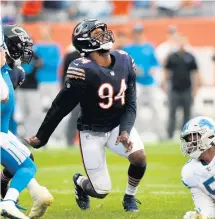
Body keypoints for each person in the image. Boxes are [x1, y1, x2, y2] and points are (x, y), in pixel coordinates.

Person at [25, 19, 147, 212]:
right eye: (97, 34)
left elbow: (131, 103)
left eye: (103, 32)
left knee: (139, 158)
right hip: (92, 131)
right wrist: (42, 136)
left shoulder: (124, 59)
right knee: (101, 190)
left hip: (117, 125)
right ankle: (79, 182)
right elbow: (61, 106)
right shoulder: (81, 69)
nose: (104, 36)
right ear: (85, 41)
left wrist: (125, 130)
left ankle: (129, 197)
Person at [0, 24, 53, 219]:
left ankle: (8, 192)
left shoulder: (14, 71)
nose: (25, 51)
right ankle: (8, 202)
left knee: (27, 160)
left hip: (4, 129)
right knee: (27, 165)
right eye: (21, 46)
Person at [122, 24, 163, 140]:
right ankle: (136, 133)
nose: (138, 35)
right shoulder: (128, 48)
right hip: (136, 83)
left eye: (140, 32)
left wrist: (151, 70)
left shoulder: (149, 47)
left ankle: (160, 133)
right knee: (135, 109)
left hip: (149, 82)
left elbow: (156, 64)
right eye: (136, 32)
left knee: (156, 107)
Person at [163, 36, 201, 139]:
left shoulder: (190, 56)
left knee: (187, 113)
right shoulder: (172, 56)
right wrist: (165, 85)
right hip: (174, 89)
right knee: (172, 113)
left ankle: (186, 135)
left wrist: (196, 87)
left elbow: (195, 72)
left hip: (187, 89)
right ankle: (170, 135)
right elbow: (166, 70)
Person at [61, 44, 81, 146]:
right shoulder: (70, 56)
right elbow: (65, 74)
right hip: (75, 91)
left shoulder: (92, 55)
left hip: (90, 91)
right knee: (74, 116)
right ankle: (70, 140)